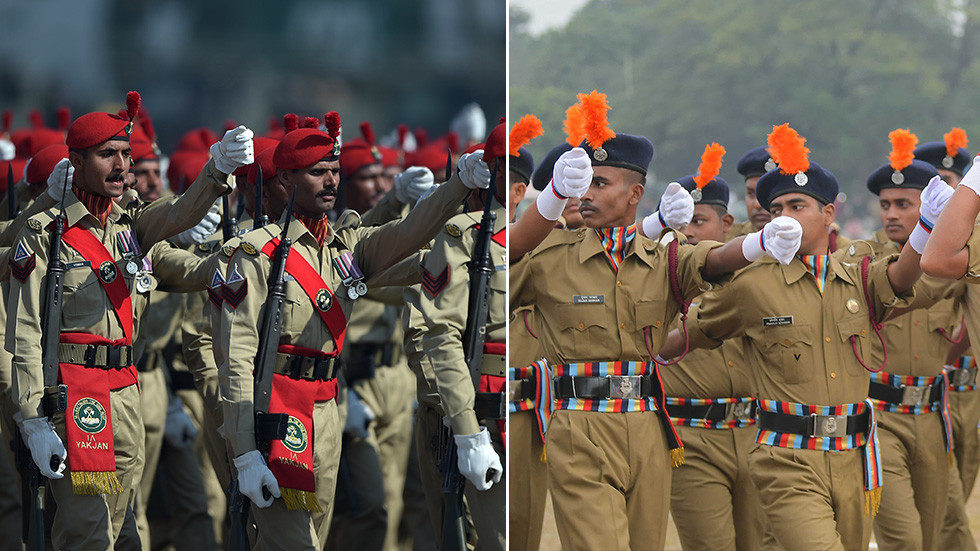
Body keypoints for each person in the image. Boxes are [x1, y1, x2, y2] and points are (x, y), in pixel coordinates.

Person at [510, 93, 802, 551]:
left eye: (600, 183)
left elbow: (709, 261)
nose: (586, 193)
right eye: (584, 182)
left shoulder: (661, 256)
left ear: (634, 194)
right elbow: (501, 262)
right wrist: (548, 202)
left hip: (648, 425)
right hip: (580, 427)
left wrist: (758, 243)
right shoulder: (550, 256)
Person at [659, 124, 939, 551]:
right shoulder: (752, 285)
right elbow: (684, 338)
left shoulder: (860, 277)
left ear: (828, 214)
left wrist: (928, 227)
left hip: (854, 454)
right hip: (787, 459)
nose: (784, 216)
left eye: (797, 205)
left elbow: (903, 276)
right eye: (776, 209)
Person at [217, 112, 491, 549]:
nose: (329, 181)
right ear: (285, 181)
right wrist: (245, 451)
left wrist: (457, 185)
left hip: (327, 408)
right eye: (316, 172)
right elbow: (236, 359)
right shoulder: (254, 255)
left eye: (333, 171)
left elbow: (410, 231)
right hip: (276, 410)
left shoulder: (345, 247)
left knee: (318, 538)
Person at [6, 91, 249, 548]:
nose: (120, 166)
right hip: (76, 398)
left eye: (125, 154)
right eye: (106, 155)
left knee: (124, 535)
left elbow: (178, 213)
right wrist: (30, 418)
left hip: (127, 392)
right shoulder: (47, 233)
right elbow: (23, 332)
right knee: (88, 535)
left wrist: (219, 169)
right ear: (75, 161)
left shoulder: (129, 227)